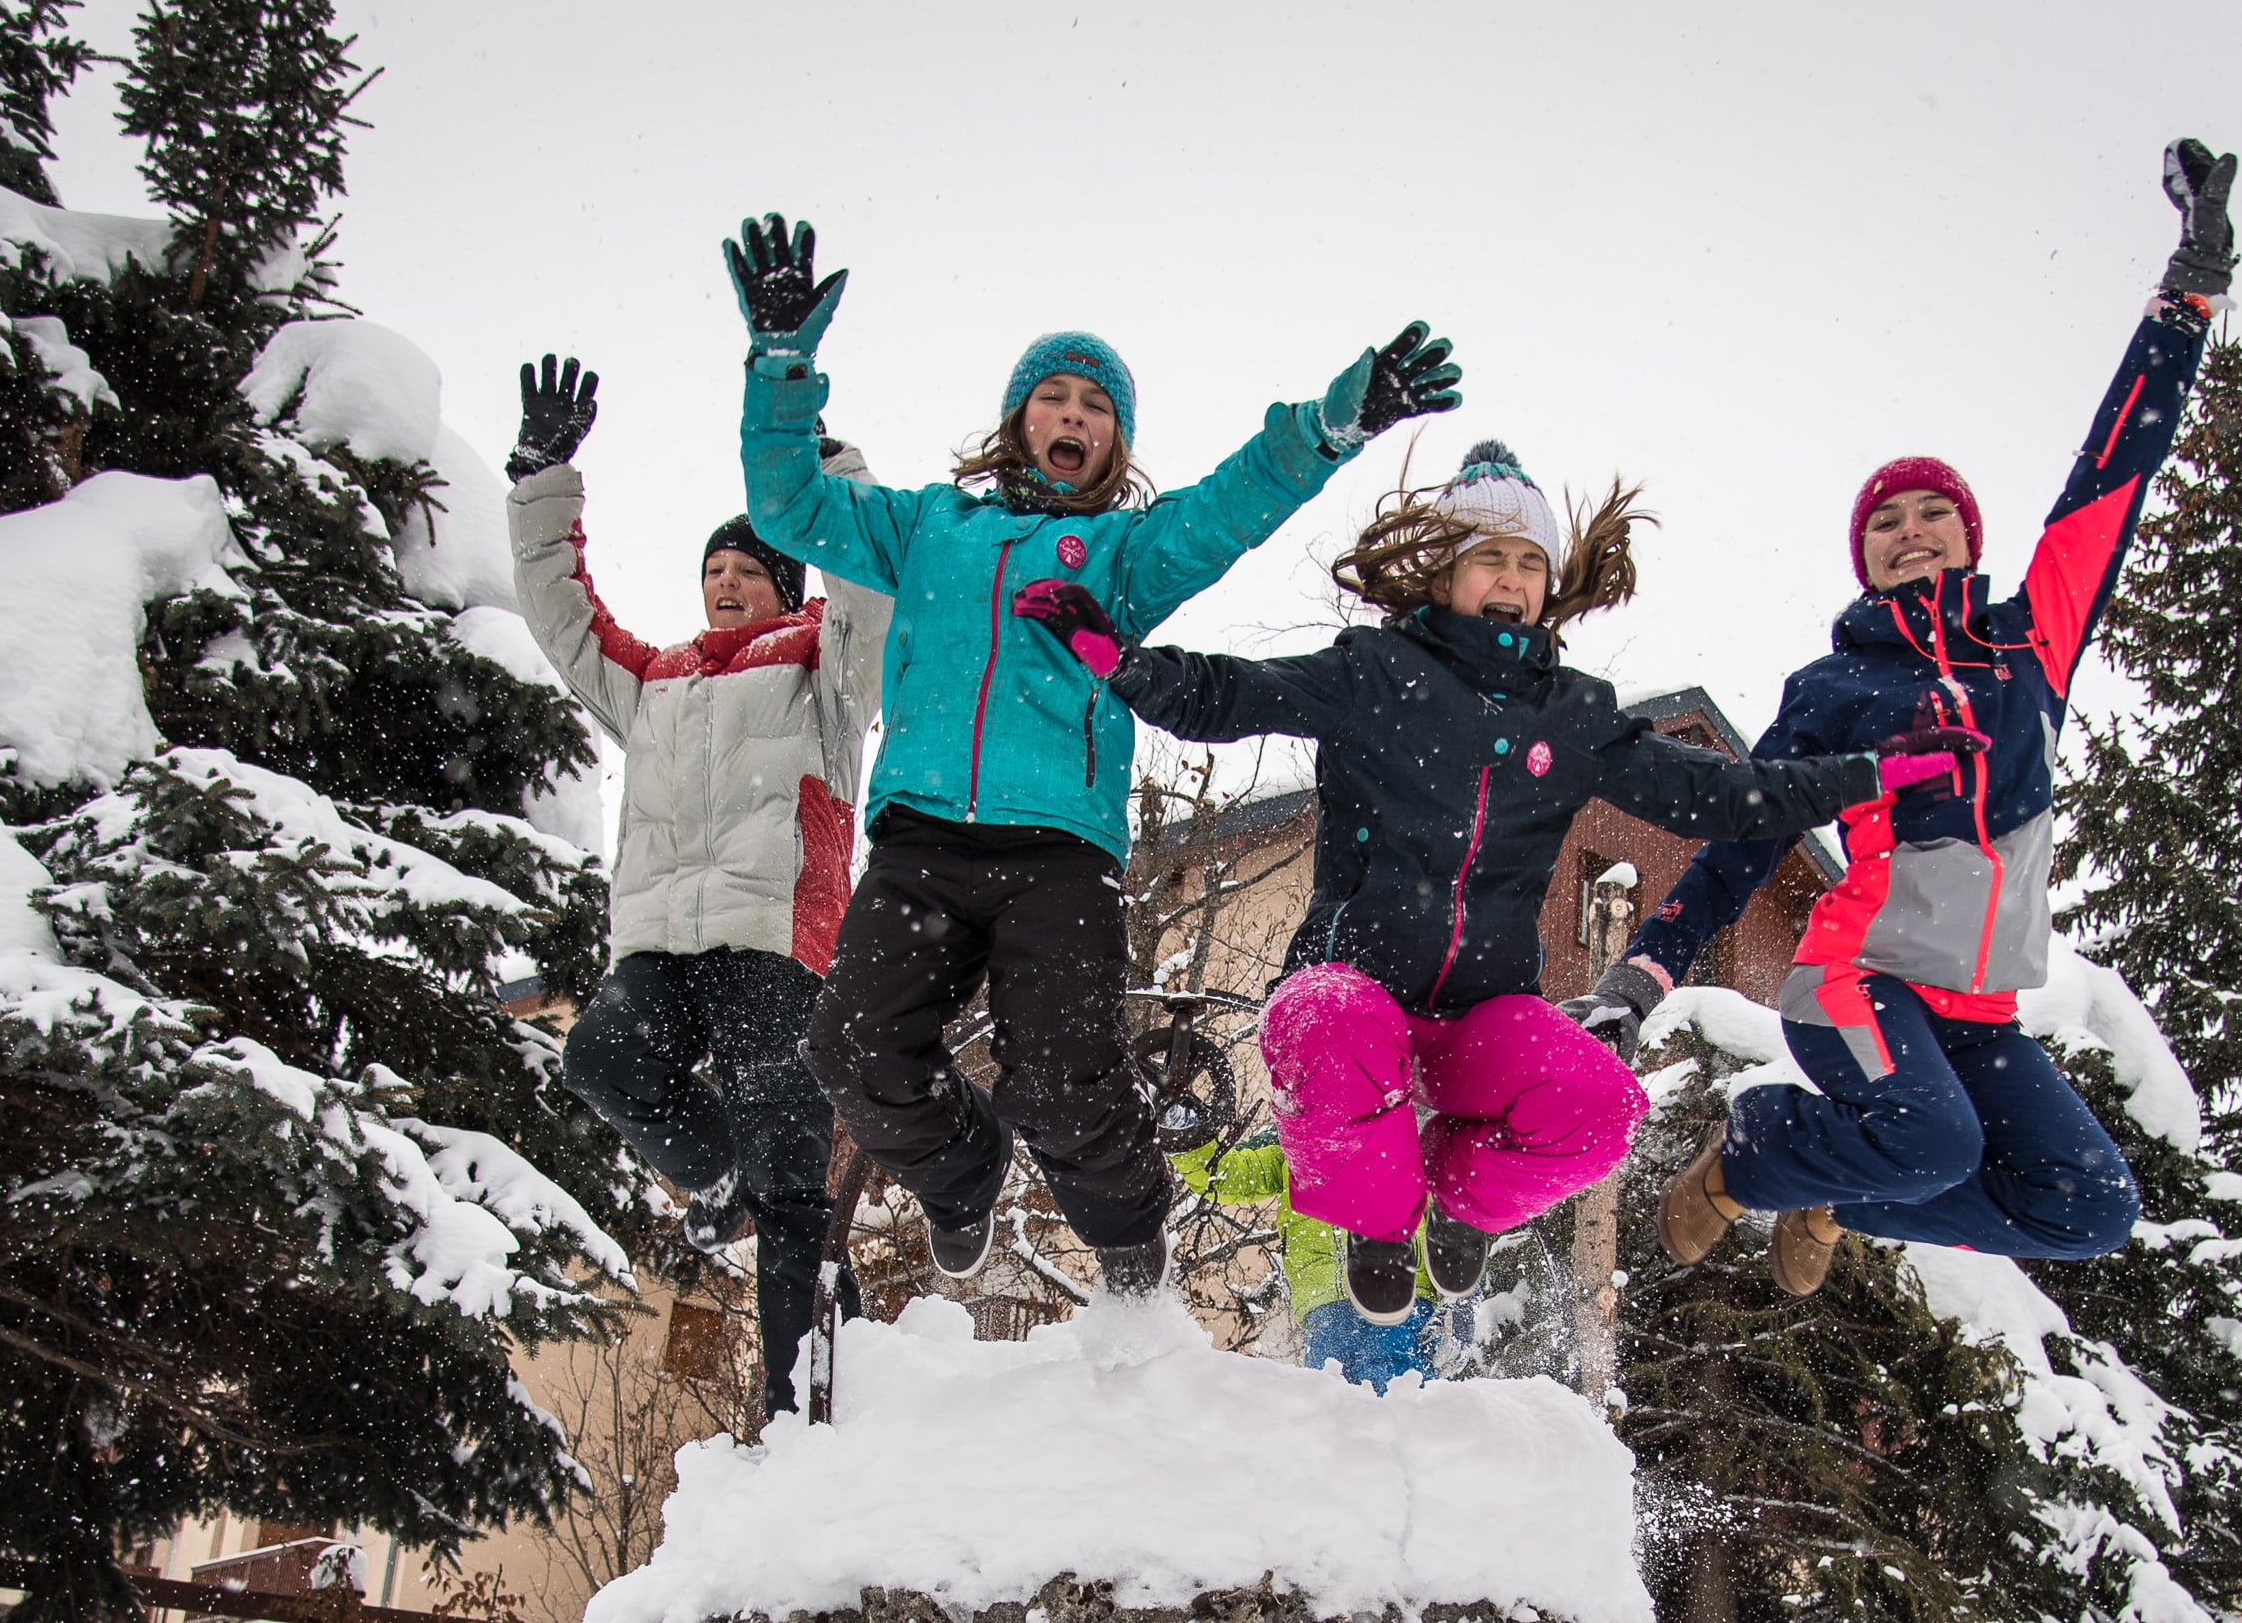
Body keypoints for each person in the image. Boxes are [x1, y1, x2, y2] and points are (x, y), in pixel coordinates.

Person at [725, 211, 1461, 1300]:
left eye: (1095, 410)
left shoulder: (1121, 554)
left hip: (1057, 855)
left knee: (1066, 1084)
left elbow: (1227, 509)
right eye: (1053, 399)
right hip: (921, 843)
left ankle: (1126, 1234)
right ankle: (962, 1169)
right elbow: (785, 505)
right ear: (1017, 421)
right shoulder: (925, 527)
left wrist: (1329, 423)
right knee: (851, 1055)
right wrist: (782, 367)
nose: (1071, 418)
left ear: (1113, 447)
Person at [1012, 442, 1889, 1322]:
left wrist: (1868, 774)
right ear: (1445, 570)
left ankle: (1464, 1204)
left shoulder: (1573, 716)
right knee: (1322, 1014)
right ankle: (1379, 1221)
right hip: (1358, 1001)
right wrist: (1122, 662)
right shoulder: (1374, 675)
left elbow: (1720, 797)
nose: (1511, 578)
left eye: (1529, 561)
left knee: (1602, 1104)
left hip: (1479, 1021)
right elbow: (1229, 696)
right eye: (1489, 557)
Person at [1574, 140, 2240, 1293]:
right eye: (1886, 523)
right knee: (1933, 1138)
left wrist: (2186, 298)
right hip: (1856, 980)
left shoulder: (2025, 647)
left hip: (1972, 1009)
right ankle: (1755, 1149)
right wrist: (1642, 975)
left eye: (1934, 513)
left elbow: (2108, 484)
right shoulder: (1833, 693)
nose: (1911, 529)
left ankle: (1829, 1185)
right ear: (1865, 557)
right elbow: (1746, 842)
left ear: (1970, 541)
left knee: (2084, 1205)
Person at [504, 348, 886, 1415]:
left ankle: (799, 1400)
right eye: (714, 569)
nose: (725, 581)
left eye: (749, 569)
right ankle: (713, 1181)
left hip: (774, 941)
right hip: (661, 944)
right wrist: (541, 484)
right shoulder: (653, 682)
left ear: (784, 583)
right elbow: (565, 621)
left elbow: (868, 596)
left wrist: (833, 477)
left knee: (788, 1175)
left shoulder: (824, 666)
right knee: (601, 1056)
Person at [1171, 1139, 1445, 1391]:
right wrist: (1186, 1134)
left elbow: (1454, 1214)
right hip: (1325, 1307)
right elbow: (1225, 1176)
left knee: (1397, 1392)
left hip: (1399, 1296)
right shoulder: (1294, 1148)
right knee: (1330, 1402)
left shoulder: (1402, 1138)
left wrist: (1463, 1296)